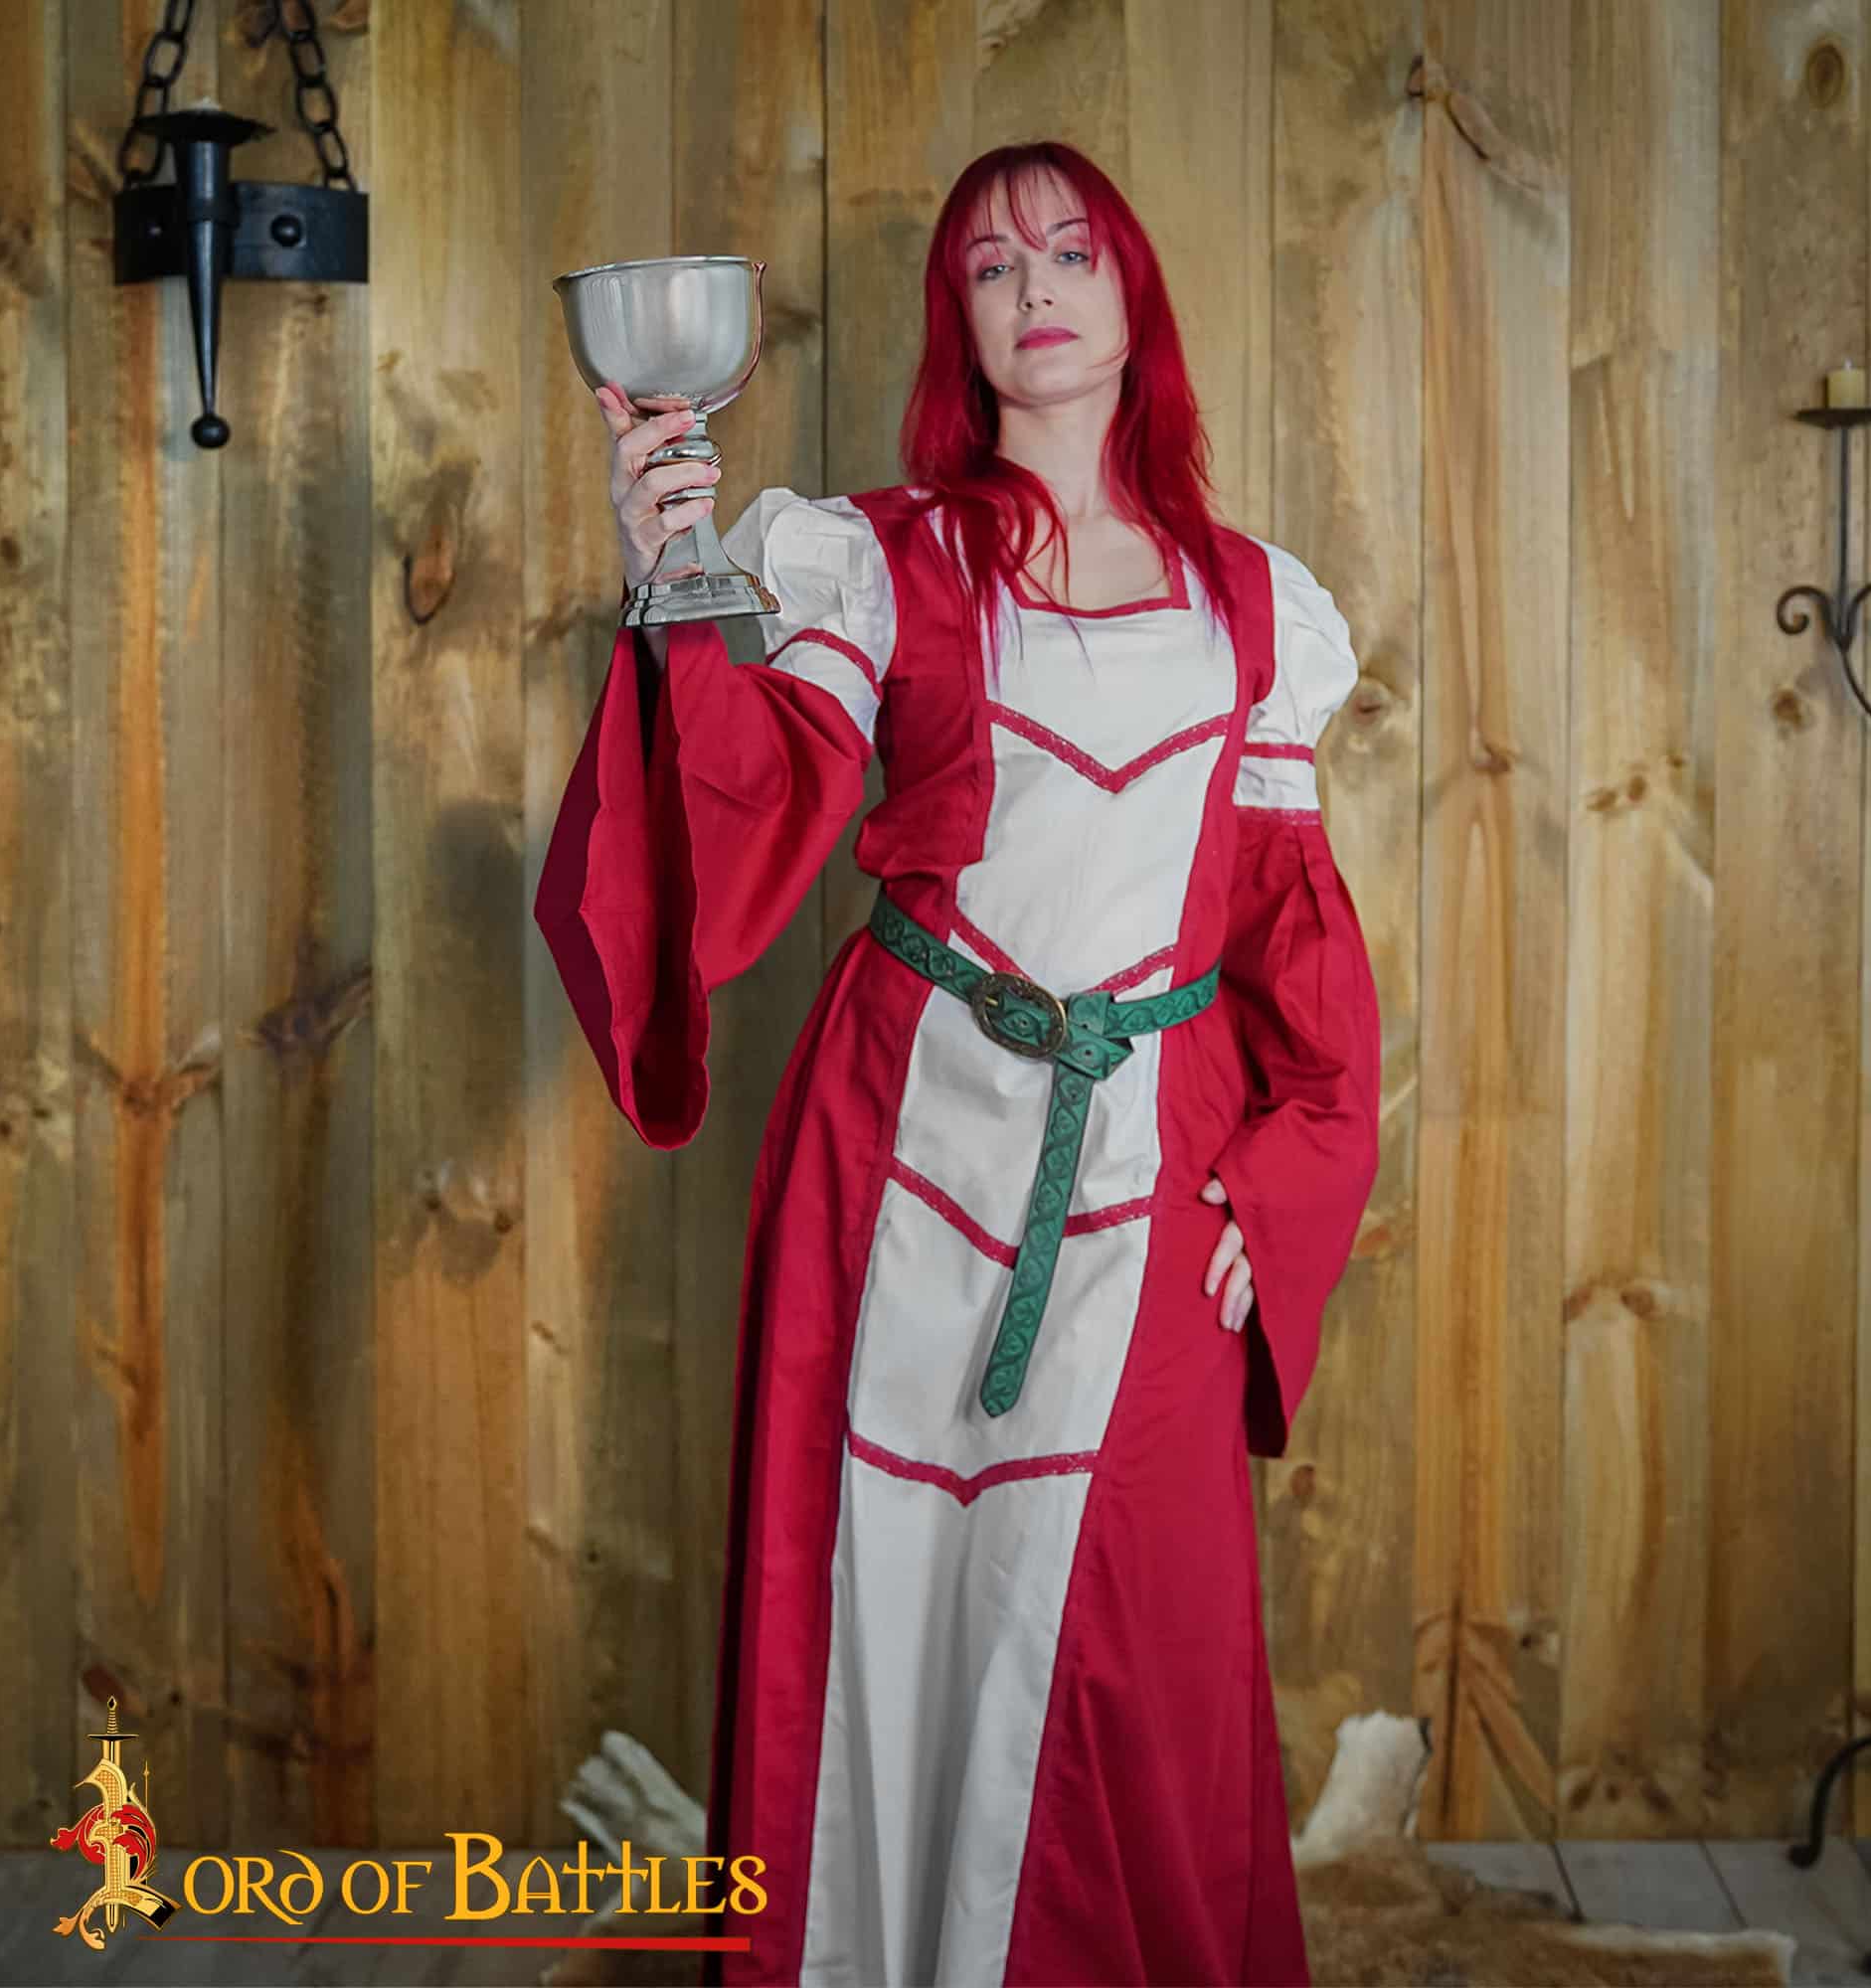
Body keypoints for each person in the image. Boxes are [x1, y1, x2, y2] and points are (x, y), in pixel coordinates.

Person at [534, 139, 1382, 1988]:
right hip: (904, 1158)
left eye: (1072, 252)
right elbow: (752, 799)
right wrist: (671, 574)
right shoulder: (883, 560)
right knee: (889, 1597)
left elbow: (1289, 923)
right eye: (994, 267)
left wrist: (1289, 1175)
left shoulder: (1255, 605)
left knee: (1134, 1635)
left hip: (1146, 1165)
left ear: (1134, 296)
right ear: (960, 323)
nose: (1038, 287)